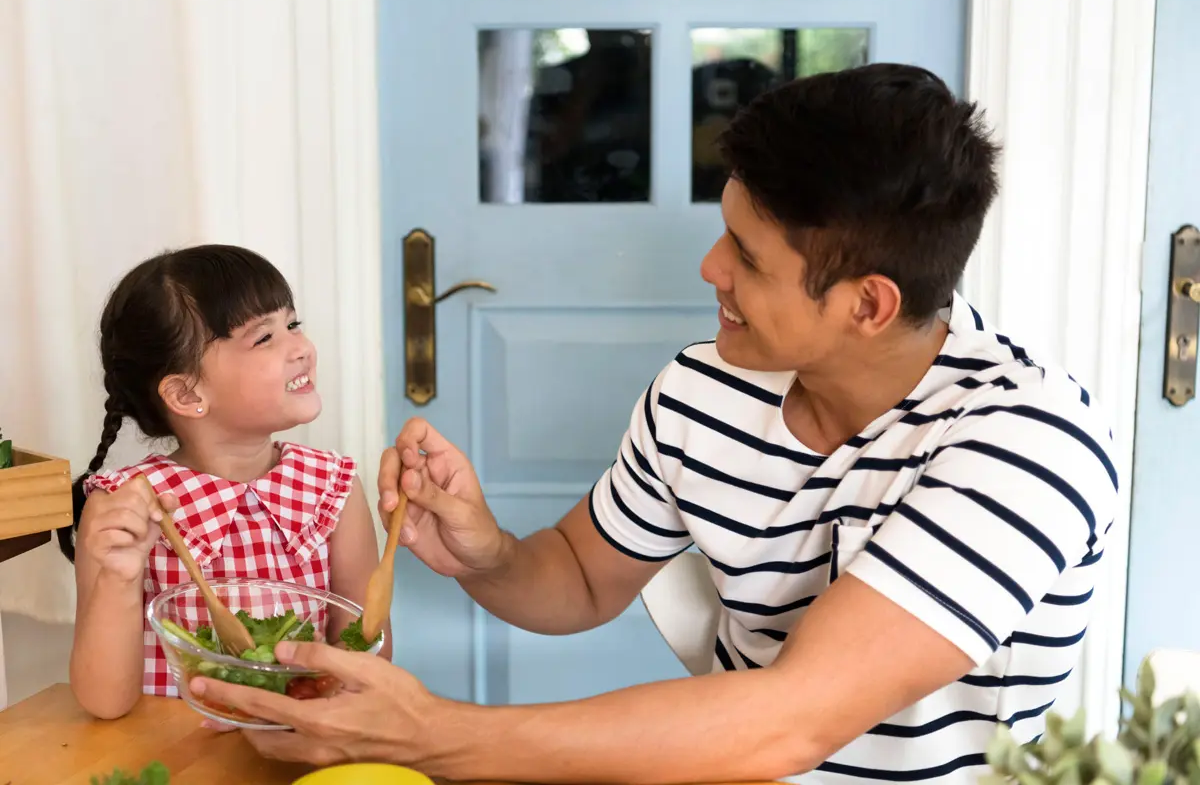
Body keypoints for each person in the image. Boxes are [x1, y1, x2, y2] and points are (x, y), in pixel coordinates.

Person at [193, 64, 1117, 785]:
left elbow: (793, 718)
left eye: (747, 258)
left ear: (867, 305)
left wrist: (435, 734)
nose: (711, 269)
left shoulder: (1028, 443)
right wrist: (486, 553)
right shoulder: (703, 390)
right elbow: (583, 580)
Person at [63, 245, 390, 720]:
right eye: (264, 338)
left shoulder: (332, 488)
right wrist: (119, 574)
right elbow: (104, 702)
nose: (301, 347)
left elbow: (368, 661)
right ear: (187, 393)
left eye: (292, 325)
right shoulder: (124, 510)